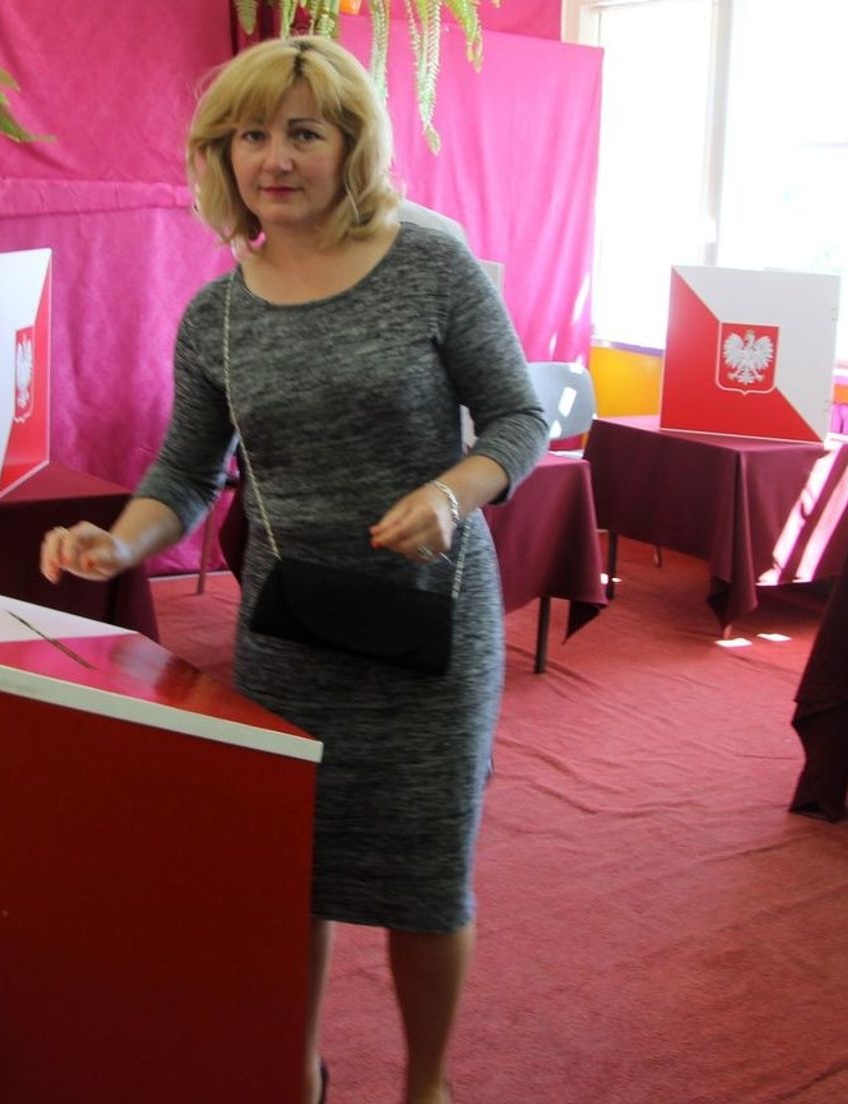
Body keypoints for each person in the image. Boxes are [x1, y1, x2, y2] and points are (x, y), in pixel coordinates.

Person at [39, 36, 546, 1104]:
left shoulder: (432, 268)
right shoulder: (216, 314)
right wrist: (118, 543)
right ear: (221, 155)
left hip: (431, 628)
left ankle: (427, 1087)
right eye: (251, 135)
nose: (275, 157)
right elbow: (186, 472)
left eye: (304, 133)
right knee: (291, 873)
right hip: (291, 636)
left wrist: (451, 495)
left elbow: (517, 418)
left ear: (352, 146)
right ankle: (293, 1077)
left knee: (423, 878)